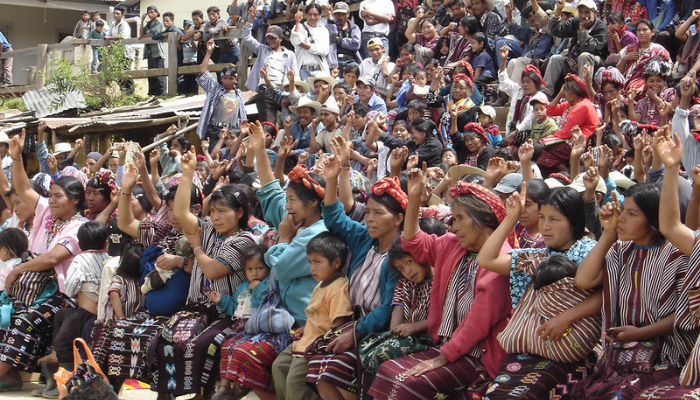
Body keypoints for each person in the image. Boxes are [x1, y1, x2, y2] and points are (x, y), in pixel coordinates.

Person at [368, 175, 512, 399]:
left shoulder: (501, 259)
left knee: (405, 383)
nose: (453, 226)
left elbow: (479, 320)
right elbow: (413, 242)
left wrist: (444, 355)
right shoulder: (453, 244)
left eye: (460, 218)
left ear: (482, 219)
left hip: (477, 356)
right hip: (447, 347)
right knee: (387, 371)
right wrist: (413, 199)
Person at [574, 178, 697, 399]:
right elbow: (584, 279)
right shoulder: (621, 250)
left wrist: (640, 333)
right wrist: (609, 232)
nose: (621, 218)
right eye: (622, 210)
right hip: (622, 352)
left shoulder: (677, 255)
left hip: (667, 355)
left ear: (653, 220)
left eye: (632, 214)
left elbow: (684, 314)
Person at [476, 187, 600, 399]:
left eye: (554, 219)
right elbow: (486, 259)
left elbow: (604, 294)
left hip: (568, 350)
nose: (546, 226)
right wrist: (509, 219)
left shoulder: (589, 252)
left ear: (573, 221)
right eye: (542, 218)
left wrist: (566, 317)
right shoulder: (538, 255)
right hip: (530, 350)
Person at [0, 130, 87, 391]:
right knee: (6, 314)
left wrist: (18, 270)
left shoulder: (79, 227)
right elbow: (23, 188)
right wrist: (16, 158)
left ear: (75, 200)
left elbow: (53, 258)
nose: (52, 201)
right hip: (31, 289)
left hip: (61, 295)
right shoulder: (46, 214)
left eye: (59, 196)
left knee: (26, 320)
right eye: (51, 195)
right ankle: (10, 376)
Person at [273, 232, 353, 400]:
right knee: (278, 366)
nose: (313, 268)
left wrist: (323, 342)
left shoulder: (339, 287)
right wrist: (306, 327)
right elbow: (317, 316)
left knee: (296, 379)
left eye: (318, 262)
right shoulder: (321, 284)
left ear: (336, 262)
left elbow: (339, 322)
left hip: (317, 344)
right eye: (310, 262)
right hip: (306, 337)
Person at [33, 221, 109, 398]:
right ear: (105, 241)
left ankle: (65, 383)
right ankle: (56, 359)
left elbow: (71, 288)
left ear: (80, 244)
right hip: (101, 312)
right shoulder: (107, 257)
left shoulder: (80, 259)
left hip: (85, 313)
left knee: (62, 343)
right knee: (61, 315)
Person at [242, 5, 297, 124]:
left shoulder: (289, 54)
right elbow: (246, 38)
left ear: (281, 38)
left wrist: (292, 91)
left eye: (274, 38)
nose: (271, 41)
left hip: (282, 90)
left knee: (289, 122)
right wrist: (251, 19)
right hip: (266, 90)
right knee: (268, 126)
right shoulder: (263, 49)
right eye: (269, 38)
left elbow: (295, 74)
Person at [542, 0, 606, 97]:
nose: (583, 16)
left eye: (587, 12)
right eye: (580, 12)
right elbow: (556, 30)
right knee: (555, 59)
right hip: (573, 60)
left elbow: (591, 48)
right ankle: (545, 93)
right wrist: (559, 10)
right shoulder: (576, 21)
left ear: (595, 13)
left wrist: (582, 30)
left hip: (594, 62)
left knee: (584, 56)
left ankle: (581, 92)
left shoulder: (600, 26)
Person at [196, 38, 247, 147]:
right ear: (221, 78)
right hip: (215, 130)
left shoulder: (239, 94)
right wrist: (209, 52)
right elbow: (203, 72)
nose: (228, 81)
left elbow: (242, 115)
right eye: (225, 78)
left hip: (232, 132)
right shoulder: (215, 89)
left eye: (231, 78)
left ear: (236, 79)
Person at [290, 4, 330, 81]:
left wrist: (306, 46)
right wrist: (297, 22)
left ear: (320, 15)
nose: (312, 17)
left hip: (319, 70)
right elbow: (294, 41)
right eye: (310, 14)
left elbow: (324, 50)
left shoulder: (324, 30)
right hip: (303, 70)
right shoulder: (300, 27)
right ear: (306, 15)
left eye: (315, 15)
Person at [105, 5, 135, 93]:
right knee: (117, 72)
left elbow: (122, 37)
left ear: (122, 15)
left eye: (118, 14)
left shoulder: (124, 25)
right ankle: (123, 91)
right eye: (114, 13)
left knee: (125, 71)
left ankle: (130, 91)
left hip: (125, 51)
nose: (115, 15)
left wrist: (109, 38)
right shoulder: (113, 25)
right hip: (116, 52)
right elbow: (109, 35)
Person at [327, 2, 362, 72]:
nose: (341, 17)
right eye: (338, 14)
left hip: (350, 60)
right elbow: (332, 35)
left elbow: (355, 44)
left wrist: (339, 40)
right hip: (335, 61)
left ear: (348, 14)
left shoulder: (354, 28)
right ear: (334, 15)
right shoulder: (331, 26)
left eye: (343, 14)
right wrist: (329, 16)